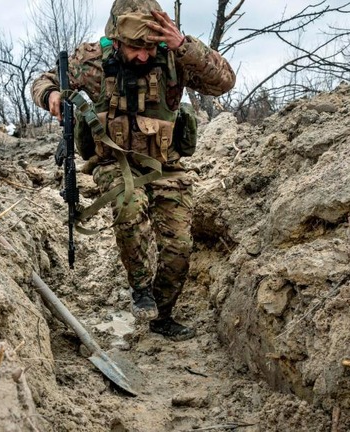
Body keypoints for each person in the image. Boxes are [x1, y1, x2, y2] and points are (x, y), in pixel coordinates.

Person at [31, 0, 235, 341]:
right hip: (113, 162)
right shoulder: (92, 60)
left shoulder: (173, 57)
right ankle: (140, 288)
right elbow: (44, 81)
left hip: (166, 167)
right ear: (116, 40)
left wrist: (184, 46)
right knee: (129, 204)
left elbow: (224, 81)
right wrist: (50, 94)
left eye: (149, 48)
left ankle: (163, 314)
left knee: (179, 246)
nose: (143, 56)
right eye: (135, 48)